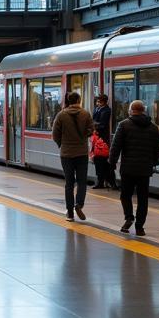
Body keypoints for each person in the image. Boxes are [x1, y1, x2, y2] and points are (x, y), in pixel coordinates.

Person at [110, 99, 159, 236]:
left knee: (125, 195)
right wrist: (156, 162)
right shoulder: (153, 127)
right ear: (143, 110)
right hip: (145, 169)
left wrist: (112, 162)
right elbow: (156, 149)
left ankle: (129, 217)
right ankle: (140, 227)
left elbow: (116, 147)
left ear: (130, 111)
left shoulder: (123, 125)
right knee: (143, 198)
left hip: (128, 168)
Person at [51, 91, 94, 223]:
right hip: (81, 153)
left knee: (69, 183)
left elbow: (55, 134)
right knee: (82, 182)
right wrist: (82, 138)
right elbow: (91, 130)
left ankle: (70, 213)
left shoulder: (61, 115)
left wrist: (61, 144)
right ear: (79, 100)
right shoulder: (86, 114)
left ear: (68, 101)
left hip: (66, 154)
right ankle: (79, 204)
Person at [92, 93, 116, 189]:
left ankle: (106, 181)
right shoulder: (97, 109)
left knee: (103, 161)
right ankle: (103, 181)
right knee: (98, 160)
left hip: (103, 139)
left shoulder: (106, 110)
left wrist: (94, 124)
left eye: (99, 101)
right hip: (97, 138)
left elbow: (102, 124)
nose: (97, 103)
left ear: (103, 102)